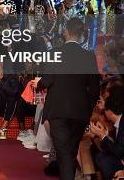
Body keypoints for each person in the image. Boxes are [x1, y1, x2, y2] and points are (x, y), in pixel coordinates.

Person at [33, 18, 100, 180]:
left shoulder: (54, 53)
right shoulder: (89, 57)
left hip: (58, 110)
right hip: (80, 112)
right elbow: (95, 89)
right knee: (69, 151)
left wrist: (38, 83)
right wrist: (88, 109)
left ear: (66, 32)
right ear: (81, 34)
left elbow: (47, 80)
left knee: (64, 153)